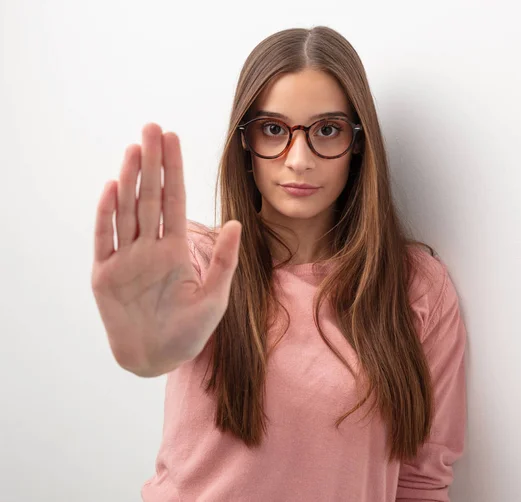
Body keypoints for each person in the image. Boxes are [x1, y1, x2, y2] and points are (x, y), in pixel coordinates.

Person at [91, 25, 467, 502]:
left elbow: (421, 481)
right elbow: (153, 351)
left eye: (326, 130)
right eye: (274, 130)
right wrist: (146, 346)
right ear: (245, 142)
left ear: (358, 142)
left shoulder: (417, 288)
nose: (299, 159)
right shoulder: (199, 263)